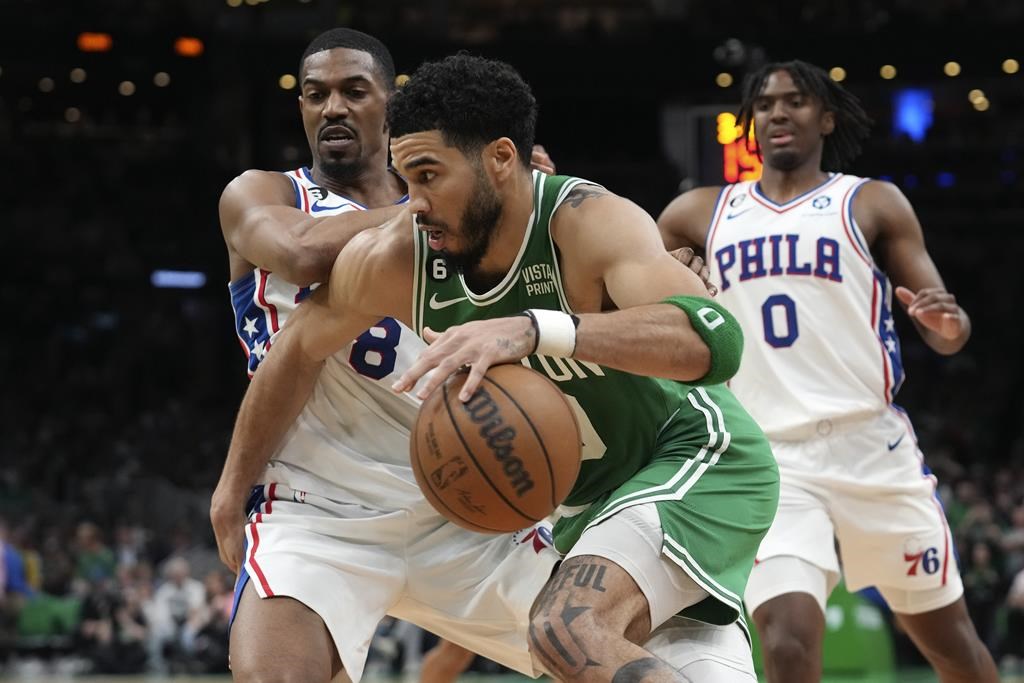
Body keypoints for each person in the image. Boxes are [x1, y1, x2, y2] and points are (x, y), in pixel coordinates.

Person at [219, 52, 780, 682]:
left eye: (430, 176)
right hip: (581, 507)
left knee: (566, 630)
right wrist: (231, 484)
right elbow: (295, 349)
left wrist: (536, 328)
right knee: (582, 645)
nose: (416, 203)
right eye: (407, 180)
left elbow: (716, 341)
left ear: (501, 159)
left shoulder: (585, 220)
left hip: (691, 455)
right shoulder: (399, 255)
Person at [212, 28, 558, 683]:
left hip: (463, 498)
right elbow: (305, 253)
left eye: (353, 91)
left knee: (624, 650)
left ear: (390, 105)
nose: (332, 107)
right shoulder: (263, 194)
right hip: (315, 504)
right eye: (315, 95)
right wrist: (444, 202)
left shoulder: (465, 215)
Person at [657, 59, 999, 683]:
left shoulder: (869, 201)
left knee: (955, 650)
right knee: (786, 643)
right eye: (764, 104)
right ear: (750, 123)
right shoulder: (699, 213)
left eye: (796, 101)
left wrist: (947, 327)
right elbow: (637, 291)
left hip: (872, 448)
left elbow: (946, 331)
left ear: (827, 117)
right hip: (771, 456)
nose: (779, 112)